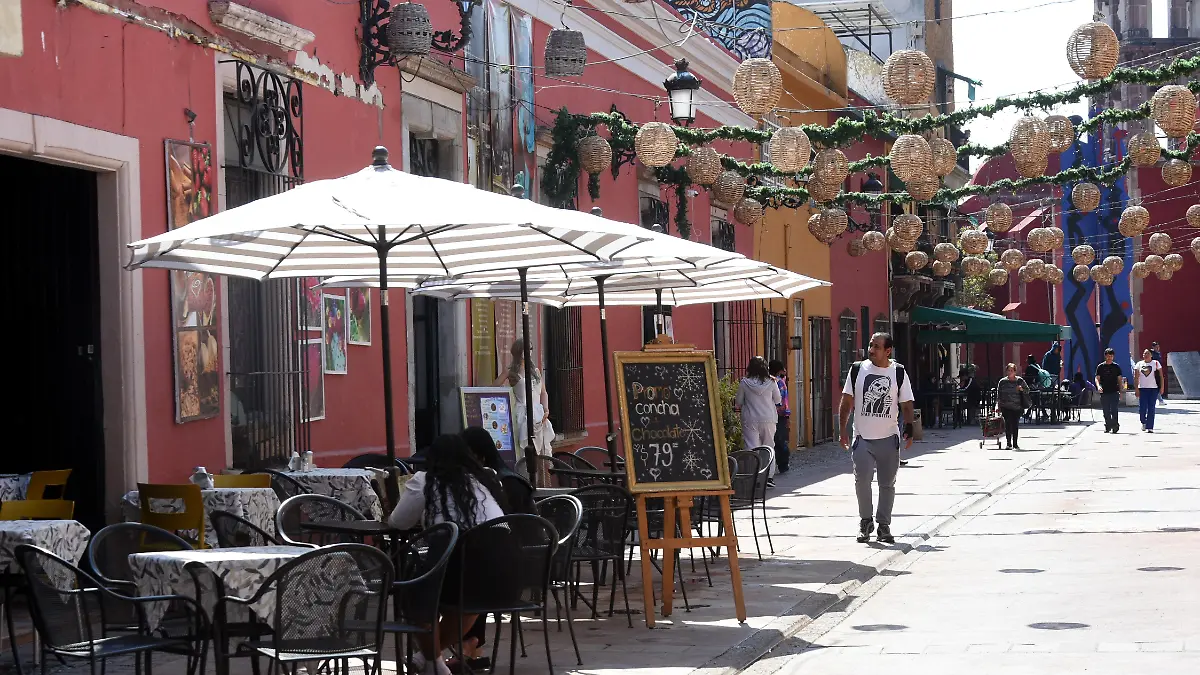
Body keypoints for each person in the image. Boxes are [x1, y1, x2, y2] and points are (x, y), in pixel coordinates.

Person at [388, 434, 507, 675]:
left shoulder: (425, 481)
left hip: (461, 555)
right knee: (468, 603)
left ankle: (434, 663)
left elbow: (398, 522)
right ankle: (431, 661)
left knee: (414, 598)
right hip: (503, 568)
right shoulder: (485, 479)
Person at [838, 332, 915, 545]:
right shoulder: (857, 370)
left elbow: (907, 404)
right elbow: (846, 401)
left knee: (887, 484)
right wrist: (842, 429)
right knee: (862, 480)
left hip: (889, 438)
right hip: (862, 437)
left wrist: (910, 429)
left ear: (888, 350)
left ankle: (883, 525)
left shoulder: (898, 372)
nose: (871, 350)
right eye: (871, 345)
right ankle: (865, 522)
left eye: (877, 347)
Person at [495, 338, 554, 465]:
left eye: (531, 348)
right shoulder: (510, 370)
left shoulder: (536, 371)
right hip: (522, 414)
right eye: (526, 349)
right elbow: (494, 387)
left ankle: (542, 483)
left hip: (539, 414)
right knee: (525, 453)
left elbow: (543, 392)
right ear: (518, 351)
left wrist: (546, 409)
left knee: (543, 454)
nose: (529, 351)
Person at [736, 356, 782, 485]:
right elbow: (778, 400)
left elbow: (738, 402)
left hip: (750, 419)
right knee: (768, 446)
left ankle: (754, 476)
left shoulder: (744, 383)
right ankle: (769, 477)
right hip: (768, 418)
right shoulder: (772, 382)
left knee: (751, 447)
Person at [994, 364, 1032, 450]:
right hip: (1005, 406)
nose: (1010, 372)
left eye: (1012, 371)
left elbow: (1027, 390)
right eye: (1008, 370)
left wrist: (1021, 389)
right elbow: (998, 394)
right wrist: (998, 405)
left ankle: (1015, 443)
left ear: (1015, 372)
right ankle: (1008, 443)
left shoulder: (1020, 381)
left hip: (1017, 407)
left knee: (1015, 425)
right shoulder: (1002, 382)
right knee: (1007, 424)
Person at [1134, 348, 1166, 432]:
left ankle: (1150, 426)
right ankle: (1143, 422)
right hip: (1143, 389)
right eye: (1144, 353)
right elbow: (1136, 378)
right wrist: (1136, 389)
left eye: (1147, 353)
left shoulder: (1156, 363)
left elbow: (1161, 376)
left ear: (1151, 355)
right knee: (1142, 408)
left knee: (1151, 407)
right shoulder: (1139, 364)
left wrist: (1162, 387)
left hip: (1153, 389)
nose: (1145, 355)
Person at [1094, 348, 1125, 433]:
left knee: (1114, 410)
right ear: (1105, 356)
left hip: (1114, 391)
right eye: (1108, 356)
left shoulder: (1116, 367)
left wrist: (1121, 390)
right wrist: (1098, 386)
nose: (1109, 358)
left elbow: (1119, 379)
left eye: (1111, 356)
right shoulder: (1100, 367)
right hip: (1104, 392)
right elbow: (1097, 378)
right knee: (1106, 410)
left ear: (1113, 356)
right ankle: (1108, 425)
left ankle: (1115, 425)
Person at [768, 359, 791, 475]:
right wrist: (787, 415)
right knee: (780, 440)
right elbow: (783, 400)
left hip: (770, 414)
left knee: (774, 440)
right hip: (779, 415)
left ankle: (777, 463)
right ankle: (783, 464)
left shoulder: (767, 381)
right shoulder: (779, 382)